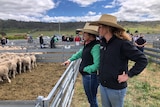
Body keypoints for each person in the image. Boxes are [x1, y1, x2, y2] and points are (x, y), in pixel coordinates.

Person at [90, 14, 148, 107]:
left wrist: (129, 74)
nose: (98, 30)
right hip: (103, 85)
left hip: (115, 88)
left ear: (107, 28)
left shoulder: (122, 44)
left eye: (100, 27)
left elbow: (142, 60)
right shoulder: (103, 43)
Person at [62, 22, 100, 107]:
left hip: (90, 76)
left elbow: (97, 64)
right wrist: (70, 60)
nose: (83, 35)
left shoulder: (95, 46)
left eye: (84, 33)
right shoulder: (88, 45)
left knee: (92, 98)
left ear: (90, 35)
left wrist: (85, 69)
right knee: (91, 98)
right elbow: (80, 53)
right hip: (87, 76)